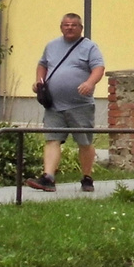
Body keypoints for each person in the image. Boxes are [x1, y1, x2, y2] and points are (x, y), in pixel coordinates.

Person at [28, 12, 105, 193]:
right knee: (52, 139)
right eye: (66, 25)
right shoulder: (52, 46)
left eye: (73, 25)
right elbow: (42, 65)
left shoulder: (90, 47)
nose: (69, 28)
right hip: (54, 105)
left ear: (80, 28)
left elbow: (99, 68)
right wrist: (40, 81)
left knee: (84, 142)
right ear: (61, 27)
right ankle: (48, 178)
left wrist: (89, 83)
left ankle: (87, 178)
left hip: (80, 104)